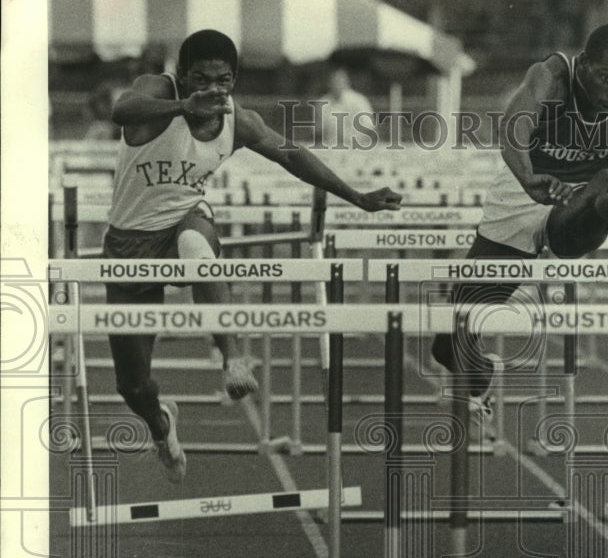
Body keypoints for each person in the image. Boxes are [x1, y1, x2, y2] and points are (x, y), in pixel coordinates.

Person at [105, 29, 401, 483]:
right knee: (132, 385)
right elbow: (121, 110)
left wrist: (356, 197)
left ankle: (232, 357)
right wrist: (183, 106)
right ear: (182, 76)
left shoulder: (238, 122)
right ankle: (161, 425)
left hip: (185, 219)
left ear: (235, 79)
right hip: (129, 240)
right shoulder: (157, 91)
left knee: (195, 244)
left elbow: (292, 155)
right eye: (201, 79)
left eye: (223, 80)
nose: (212, 89)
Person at [430, 23, 608, 430]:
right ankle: (482, 375)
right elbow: (512, 129)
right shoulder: (551, 77)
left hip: (579, 205)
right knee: (450, 344)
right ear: (584, 64)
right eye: (605, 78)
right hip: (523, 192)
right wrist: (527, 177)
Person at [319, 67, 373, 148]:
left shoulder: (359, 101)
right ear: (329, 83)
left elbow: (369, 127)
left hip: (357, 147)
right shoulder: (322, 103)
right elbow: (319, 132)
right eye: (334, 81)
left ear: (347, 82)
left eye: (340, 81)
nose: (337, 84)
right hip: (331, 148)